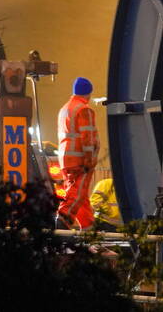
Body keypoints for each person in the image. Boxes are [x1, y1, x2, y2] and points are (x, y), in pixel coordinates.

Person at [56, 77, 98, 229]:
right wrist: (90, 159)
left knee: (80, 194)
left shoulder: (65, 109)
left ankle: (89, 229)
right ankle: (64, 217)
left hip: (65, 159)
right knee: (78, 192)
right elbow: (89, 138)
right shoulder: (84, 109)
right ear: (88, 93)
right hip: (79, 159)